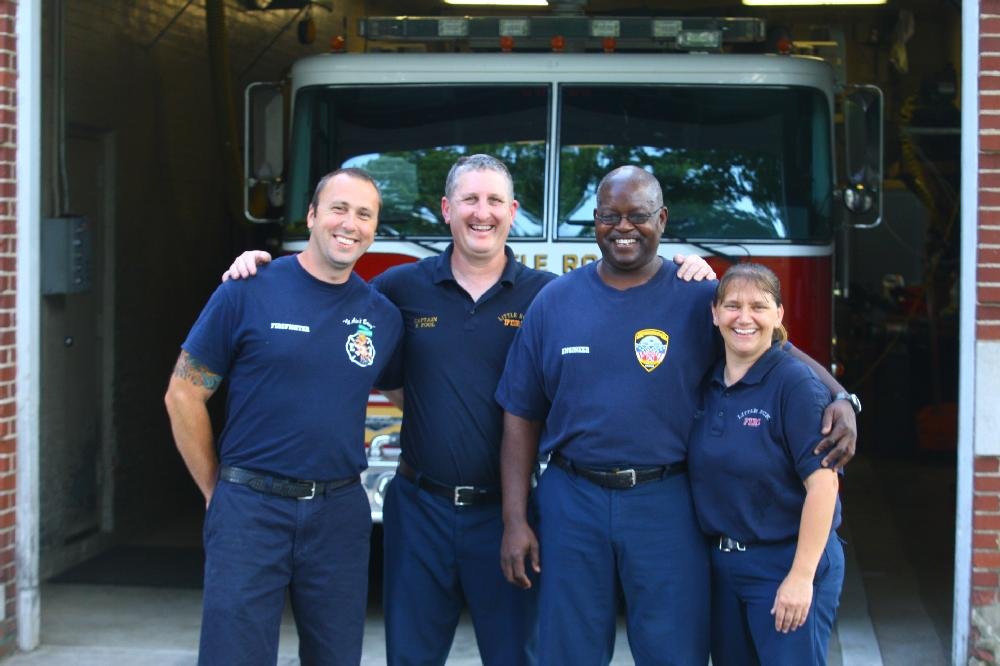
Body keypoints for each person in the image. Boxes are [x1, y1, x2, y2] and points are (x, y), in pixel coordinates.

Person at [221, 154, 717, 665]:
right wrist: (266, 272)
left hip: (506, 515)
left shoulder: (546, 296)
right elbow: (331, 307)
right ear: (446, 210)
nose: (483, 213)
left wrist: (689, 268)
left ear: (513, 211)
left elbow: (734, 340)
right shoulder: (399, 287)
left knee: (517, 656)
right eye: (470, 200)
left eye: (495, 201)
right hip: (419, 507)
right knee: (412, 656)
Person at [495, 165, 857, 665]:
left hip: (668, 501)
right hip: (570, 499)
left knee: (674, 650)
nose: (623, 228)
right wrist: (515, 519)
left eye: (638, 216)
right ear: (595, 222)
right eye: (609, 216)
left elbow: (770, 345)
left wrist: (841, 396)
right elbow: (520, 416)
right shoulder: (553, 302)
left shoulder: (697, 297)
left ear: (661, 219)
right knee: (568, 651)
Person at [164, 168, 403, 666]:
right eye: (338, 208)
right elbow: (183, 395)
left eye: (364, 214)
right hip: (251, 509)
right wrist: (218, 490)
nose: (349, 224)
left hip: (339, 512)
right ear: (312, 215)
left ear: (374, 229)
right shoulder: (247, 289)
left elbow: (412, 396)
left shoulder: (381, 314)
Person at [688, 263, 843, 666]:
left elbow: (824, 487)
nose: (744, 318)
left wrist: (800, 577)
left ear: (778, 315)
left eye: (758, 306)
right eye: (733, 305)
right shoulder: (706, 382)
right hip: (724, 566)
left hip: (784, 563)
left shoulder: (796, 386)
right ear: (715, 314)